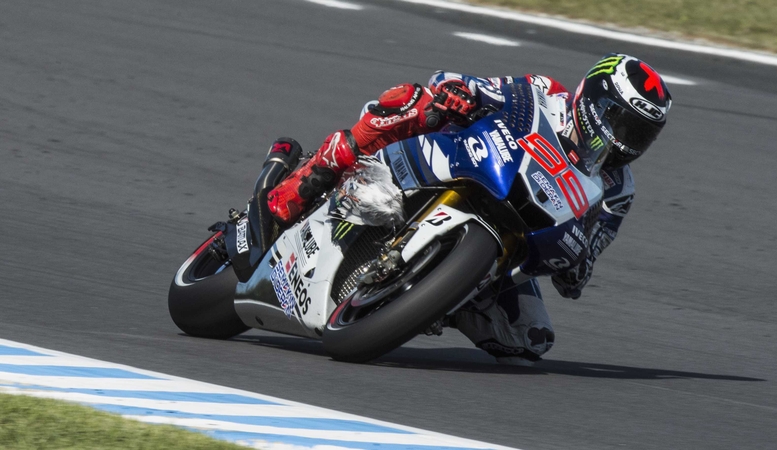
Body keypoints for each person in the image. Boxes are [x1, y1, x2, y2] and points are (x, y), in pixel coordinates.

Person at [266, 53, 672, 365]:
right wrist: (458, 92)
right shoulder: (544, 93)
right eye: (622, 124)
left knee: (530, 340)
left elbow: (584, 267)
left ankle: (442, 298)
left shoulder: (618, 190)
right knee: (416, 100)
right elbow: (465, 83)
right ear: (593, 101)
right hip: (458, 164)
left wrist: (577, 263)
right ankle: (307, 180)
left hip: (513, 239)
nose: (627, 142)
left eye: (641, 135)